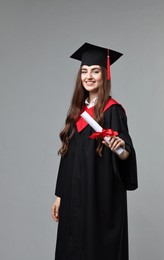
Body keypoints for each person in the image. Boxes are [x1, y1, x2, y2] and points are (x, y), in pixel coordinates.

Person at [51, 42, 138, 260]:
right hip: (73, 195)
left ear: (105, 75)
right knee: (72, 245)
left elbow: (126, 153)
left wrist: (121, 148)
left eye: (95, 71)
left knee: (94, 248)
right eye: (84, 71)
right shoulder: (77, 113)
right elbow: (67, 155)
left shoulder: (113, 111)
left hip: (100, 196)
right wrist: (60, 195)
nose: (89, 76)